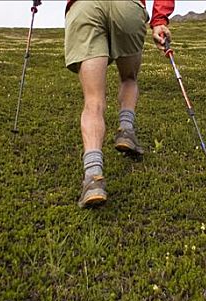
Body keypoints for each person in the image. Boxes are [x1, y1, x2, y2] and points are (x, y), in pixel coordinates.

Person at [64, 0, 175, 208]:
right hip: (127, 7)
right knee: (129, 78)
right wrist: (159, 20)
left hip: (85, 7)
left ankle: (93, 176)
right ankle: (126, 130)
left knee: (93, 100)